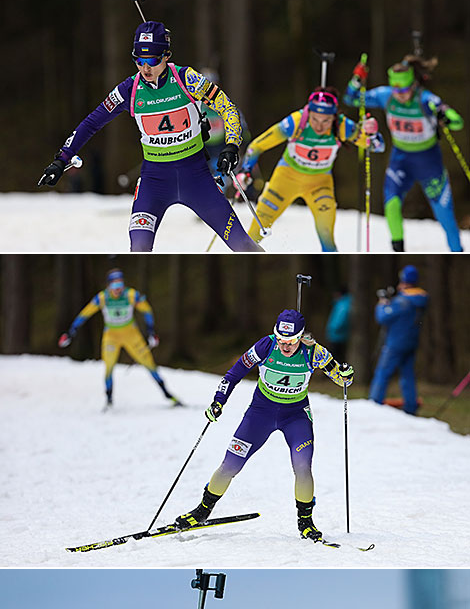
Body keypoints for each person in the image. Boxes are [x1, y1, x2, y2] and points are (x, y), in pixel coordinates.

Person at [38, 22, 262, 255]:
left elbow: (227, 107)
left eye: (152, 60)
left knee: (243, 245)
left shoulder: (188, 79)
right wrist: (62, 159)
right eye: (139, 60)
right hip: (154, 183)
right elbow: (92, 122)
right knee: (140, 248)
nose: (145, 68)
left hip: (196, 179)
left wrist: (232, 145)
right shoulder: (129, 89)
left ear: (166, 56)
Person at [176, 310, 354, 543]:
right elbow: (233, 374)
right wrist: (218, 402)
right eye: (280, 339)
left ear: (301, 337)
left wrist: (346, 375)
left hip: (295, 416)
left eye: (290, 341)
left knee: (302, 466)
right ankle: (201, 511)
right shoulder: (265, 346)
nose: (285, 346)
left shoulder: (314, 352)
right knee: (230, 465)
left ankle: (306, 522)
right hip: (260, 414)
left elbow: (342, 379)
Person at [344, 54, 464, 251]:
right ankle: (397, 247)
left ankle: (457, 249)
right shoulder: (386, 95)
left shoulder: (426, 99)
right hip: (401, 160)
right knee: (391, 205)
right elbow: (351, 99)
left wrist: (445, 116)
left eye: (404, 89)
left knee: (445, 216)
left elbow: (458, 121)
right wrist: (357, 79)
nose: (399, 93)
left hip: (429, 163)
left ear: (414, 85)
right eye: (396, 88)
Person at [241, 89, 383, 251]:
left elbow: (377, 146)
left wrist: (372, 133)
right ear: (309, 112)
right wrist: (246, 170)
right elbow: (257, 145)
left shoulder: (343, 126)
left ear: (334, 117)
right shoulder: (296, 122)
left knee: (327, 236)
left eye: (326, 121)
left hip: (319, 184)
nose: (319, 126)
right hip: (286, 180)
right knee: (254, 235)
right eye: (315, 119)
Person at [58, 268, 181, 407]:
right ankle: (109, 399)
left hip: (132, 336)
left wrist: (151, 332)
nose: (118, 289)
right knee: (109, 366)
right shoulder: (102, 298)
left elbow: (147, 310)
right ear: (108, 285)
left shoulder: (131, 295)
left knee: (149, 364)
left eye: (120, 285)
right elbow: (85, 314)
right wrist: (71, 332)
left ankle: (168, 394)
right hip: (111, 337)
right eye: (115, 285)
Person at [369, 267, 428, 415]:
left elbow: (382, 317)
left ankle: (373, 405)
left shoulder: (403, 301)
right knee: (407, 375)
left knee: (382, 373)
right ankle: (410, 407)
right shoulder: (421, 299)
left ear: (404, 281)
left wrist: (382, 303)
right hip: (411, 342)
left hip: (395, 343)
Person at [325, 289, 352, 367]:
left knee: (335, 357)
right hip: (339, 335)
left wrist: (333, 328)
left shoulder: (343, 305)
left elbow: (340, 319)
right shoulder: (343, 303)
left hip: (337, 335)